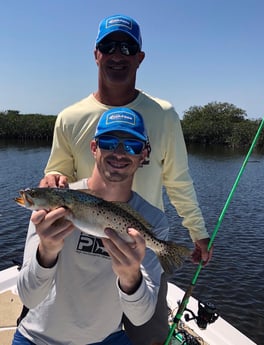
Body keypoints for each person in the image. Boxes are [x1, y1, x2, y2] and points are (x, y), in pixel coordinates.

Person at [40, 14, 213, 344]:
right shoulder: (69, 118)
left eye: (127, 47)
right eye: (108, 46)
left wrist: (198, 232)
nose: (117, 54)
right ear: (96, 54)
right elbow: (57, 173)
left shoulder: (163, 114)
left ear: (139, 57)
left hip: (144, 250)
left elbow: (178, 180)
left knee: (147, 335)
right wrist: (54, 178)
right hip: (83, 254)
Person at [13, 108, 170, 345]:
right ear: (94, 148)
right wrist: (45, 253)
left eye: (131, 146)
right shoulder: (49, 209)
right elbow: (28, 296)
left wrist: (130, 277)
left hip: (108, 338)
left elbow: (140, 317)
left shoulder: (152, 219)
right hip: (38, 338)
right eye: (108, 142)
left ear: (144, 154)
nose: (119, 153)